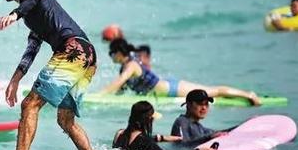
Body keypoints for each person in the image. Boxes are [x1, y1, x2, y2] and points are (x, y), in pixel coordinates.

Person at [0, 0, 105, 150]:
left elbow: (28, 3)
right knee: (65, 120)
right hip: (88, 56)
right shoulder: (34, 17)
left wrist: (14, 14)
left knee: (29, 105)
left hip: (73, 50)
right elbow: (32, 48)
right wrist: (15, 80)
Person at [101, 38, 261, 105]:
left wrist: (99, 95)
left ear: (118, 53)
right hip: (165, 88)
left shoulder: (131, 66)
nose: (110, 57)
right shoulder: (126, 66)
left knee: (213, 92)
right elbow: (120, 90)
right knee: (211, 91)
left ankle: (249, 95)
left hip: (171, 89)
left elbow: (118, 83)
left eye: (111, 53)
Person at [113, 101, 217, 150]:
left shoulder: (119, 134)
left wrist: (161, 138)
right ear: (148, 120)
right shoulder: (145, 141)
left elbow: (134, 143)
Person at [171, 89, 235, 145]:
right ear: (189, 104)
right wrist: (209, 138)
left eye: (206, 104)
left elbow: (216, 133)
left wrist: (240, 126)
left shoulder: (199, 127)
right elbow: (181, 145)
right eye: (200, 104)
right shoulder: (181, 122)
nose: (204, 108)